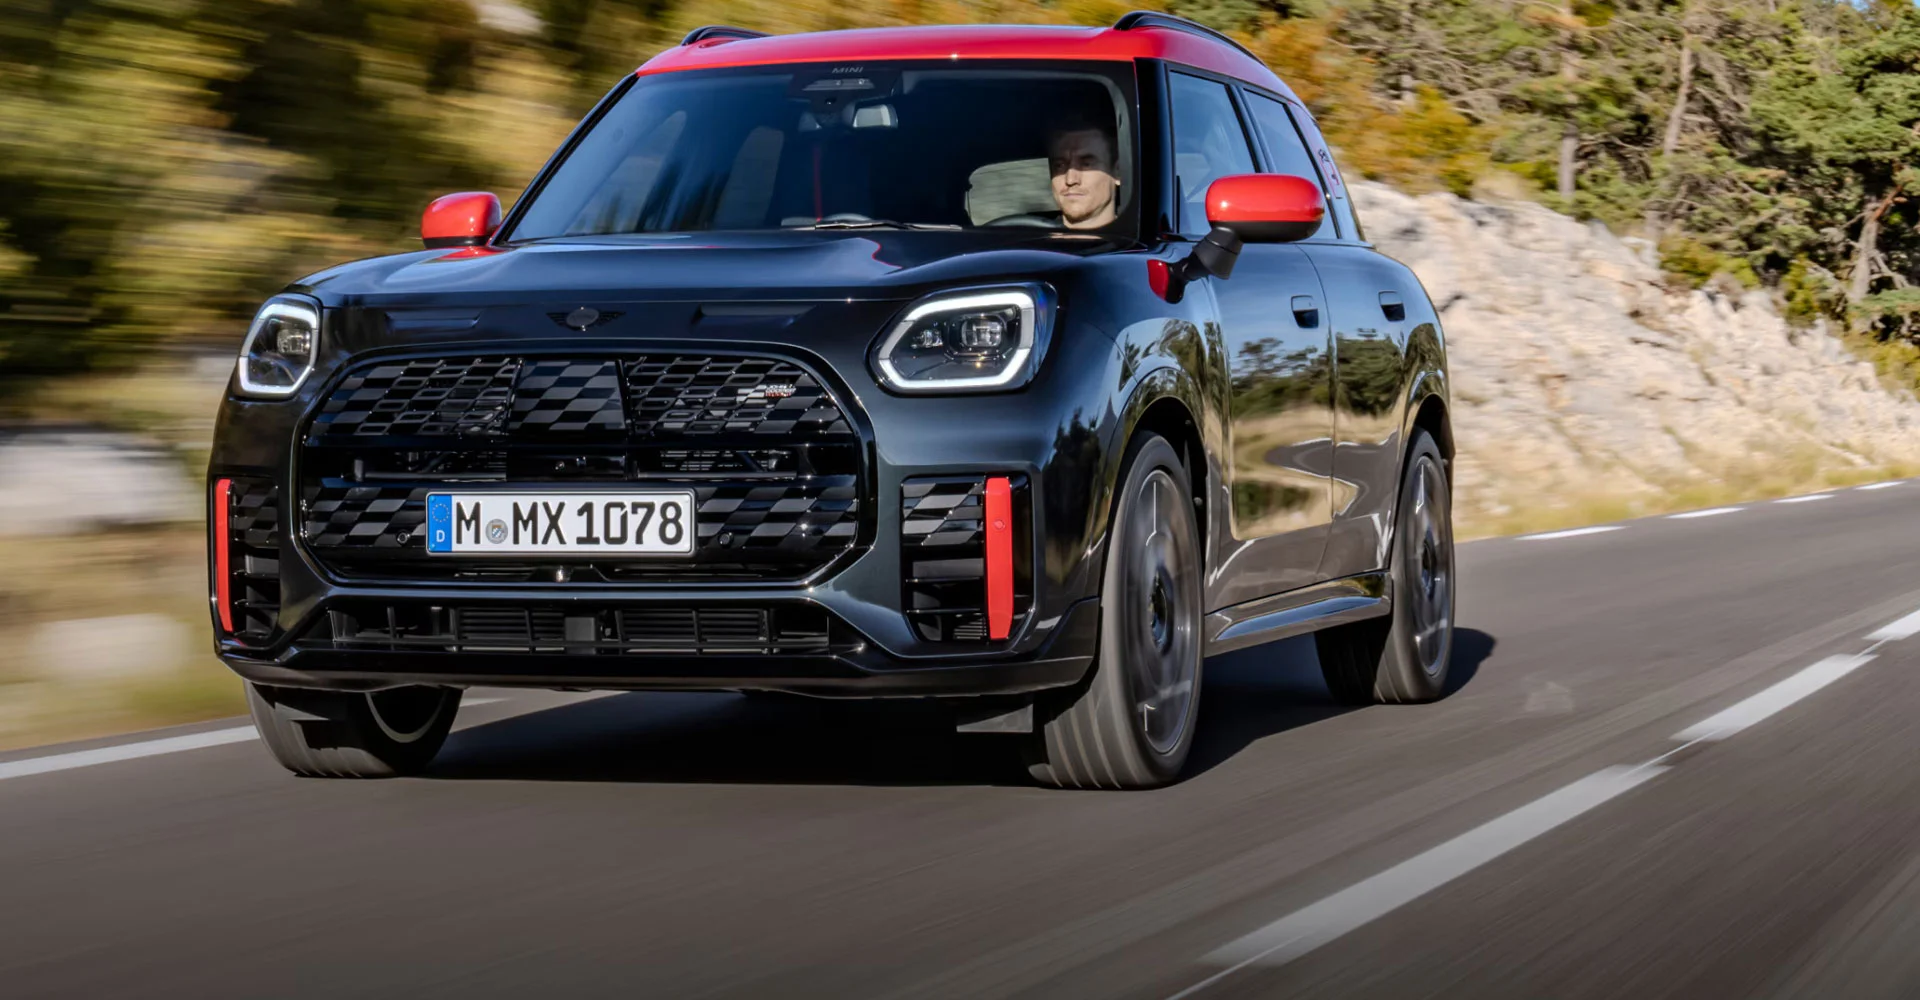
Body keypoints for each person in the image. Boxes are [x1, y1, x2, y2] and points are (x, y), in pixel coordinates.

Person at [1047, 118, 1121, 230]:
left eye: (1086, 164)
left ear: (1118, 172)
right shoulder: (1030, 245)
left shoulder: (1141, 243)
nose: (1070, 180)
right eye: (1060, 165)